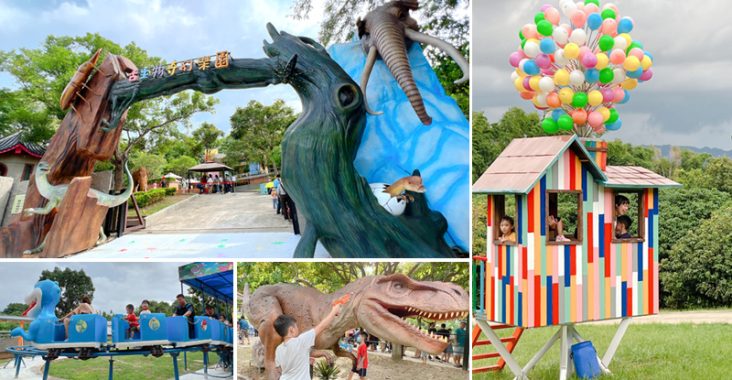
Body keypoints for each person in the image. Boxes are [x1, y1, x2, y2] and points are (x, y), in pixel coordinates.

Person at [274, 302, 342, 380]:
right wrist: (334, 311)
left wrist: (322, 353)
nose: (298, 329)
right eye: (296, 326)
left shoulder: (278, 349)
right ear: (291, 330)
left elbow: (279, 369)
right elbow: (322, 326)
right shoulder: (301, 341)